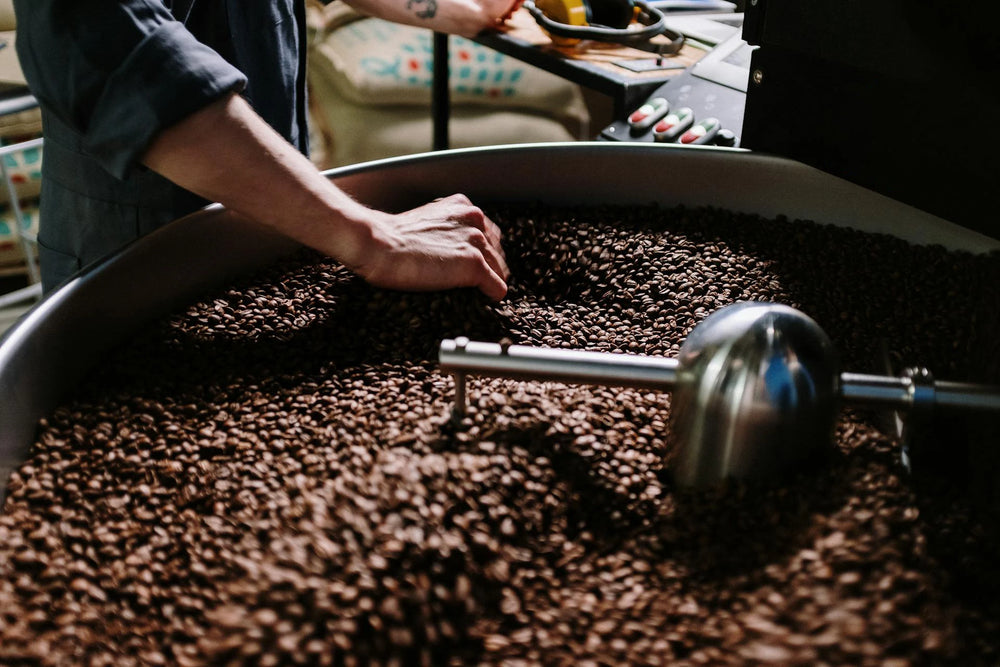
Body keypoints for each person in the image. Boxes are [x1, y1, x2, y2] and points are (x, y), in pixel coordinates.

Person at [13, 0, 515, 299]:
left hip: (280, 232)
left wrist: (445, 7)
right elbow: (111, 42)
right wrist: (375, 238)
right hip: (133, 259)